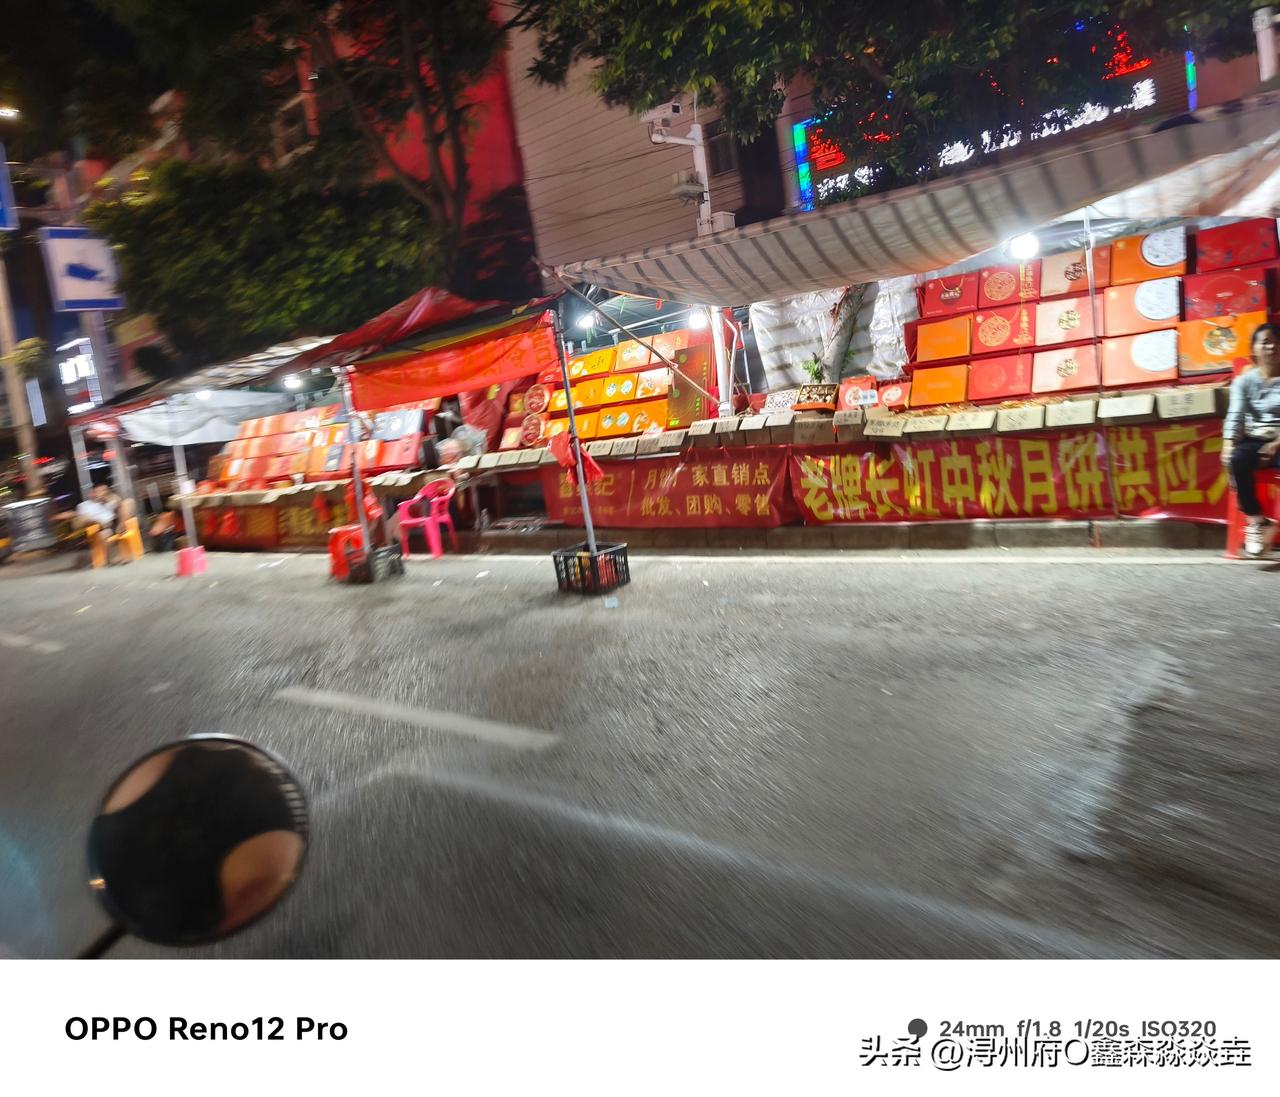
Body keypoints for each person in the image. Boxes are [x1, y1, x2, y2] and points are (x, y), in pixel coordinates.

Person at [1223, 323, 1280, 557]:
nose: (1272, 345)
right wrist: (1228, 444)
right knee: (1236, 460)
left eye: (1276, 340)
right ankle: (1257, 522)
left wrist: (1276, 444)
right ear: (1254, 350)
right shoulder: (1244, 381)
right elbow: (1235, 414)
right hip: (1256, 437)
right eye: (1265, 341)